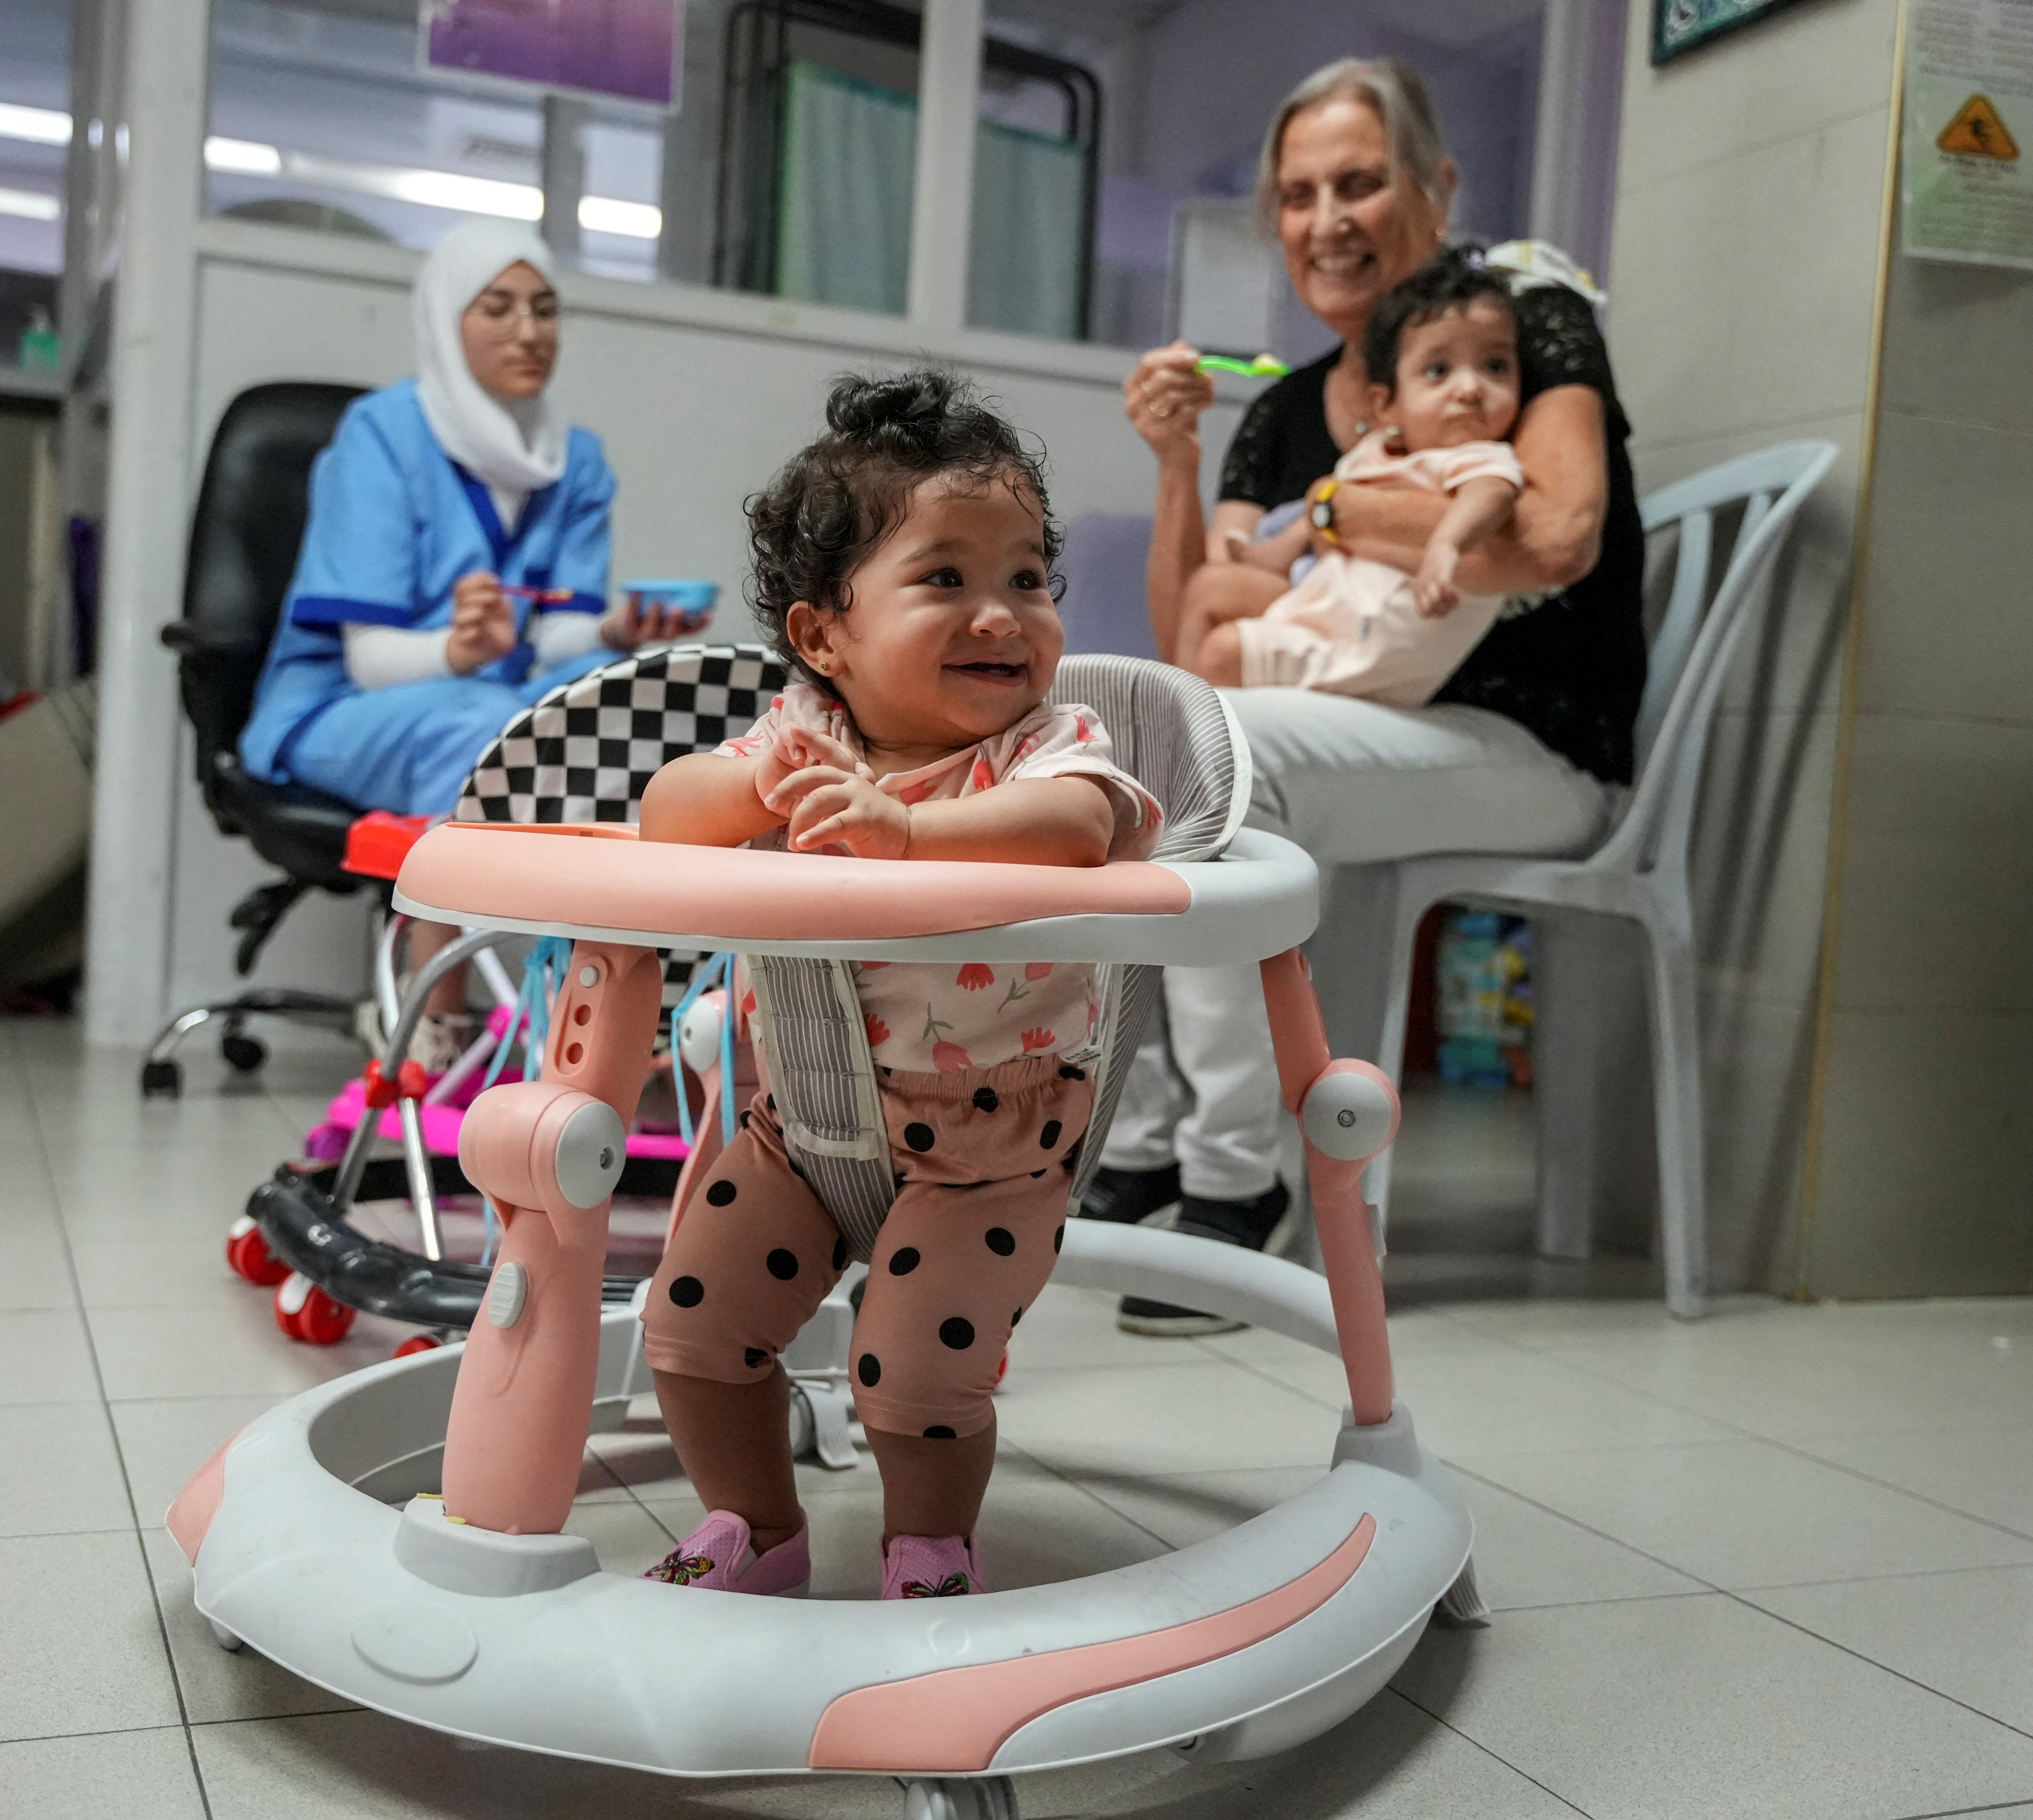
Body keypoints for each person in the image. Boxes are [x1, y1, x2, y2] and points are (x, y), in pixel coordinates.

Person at [1092, 57, 1645, 1335]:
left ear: (1436, 188)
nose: (1324, 218)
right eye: (1295, 194)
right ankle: (1141, 1141)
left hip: (1530, 742)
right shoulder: (1283, 409)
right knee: (1122, 739)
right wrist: (1176, 463)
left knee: (1213, 752)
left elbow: (1555, 534)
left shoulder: (1517, 318)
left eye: (1359, 181)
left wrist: (1340, 505)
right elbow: (1195, 627)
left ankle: (1242, 1182)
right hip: (1356, 723)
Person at [633, 370, 1162, 1601]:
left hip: (996, 1133)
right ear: (825, 638)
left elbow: (1086, 827)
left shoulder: (1040, 748)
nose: (1002, 614)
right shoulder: (803, 734)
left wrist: (910, 831)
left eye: (1027, 578)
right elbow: (666, 818)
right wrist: (762, 790)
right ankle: (754, 1525)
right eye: (946, 578)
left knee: (912, 1374)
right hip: (800, 1118)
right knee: (691, 1328)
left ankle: (929, 1550)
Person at [236, 218, 705, 1056]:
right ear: (447, 319)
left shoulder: (576, 460)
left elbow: (557, 635)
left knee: (627, 705)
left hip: (493, 690)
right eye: (498, 308)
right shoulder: (381, 438)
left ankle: (641, 1018)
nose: (529, 332)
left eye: (546, 309)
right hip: (342, 703)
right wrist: (455, 654)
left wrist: (617, 629)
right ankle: (434, 1018)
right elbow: (368, 659)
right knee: (476, 734)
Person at [1176, 248, 1527, 702]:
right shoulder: (1378, 454)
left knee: (1223, 653)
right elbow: (1318, 513)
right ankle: (1170, 728)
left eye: (1495, 366)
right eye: (1439, 371)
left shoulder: (1479, 457)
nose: (1470, 388)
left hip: (1371, 647)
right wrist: (1266, 558)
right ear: (1386, 406)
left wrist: (1446, 543)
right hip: (1332, 610)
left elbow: (1491, 495)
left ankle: (1181, 752)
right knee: (1210, 587)